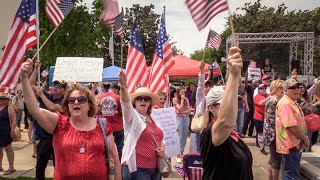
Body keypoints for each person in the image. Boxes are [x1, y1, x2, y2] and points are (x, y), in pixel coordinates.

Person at [20, 59, 121, 179]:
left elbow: (114, 157)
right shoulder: (59, 123)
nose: (76, 102)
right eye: (71, 100)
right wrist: (24, 79)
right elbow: (34, 110)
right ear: (67, 105)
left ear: (89, 104)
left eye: (81, 100)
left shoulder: (102, 126)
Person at [200, 47, 253, 180]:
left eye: (234, 103)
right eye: (225, 104)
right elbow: (225, 122)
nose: (233, 108)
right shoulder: (209, 133)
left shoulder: (233, 134)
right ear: (212, 108)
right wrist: (234, 75)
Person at [118, 70, 165, 180]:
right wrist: (123, 87)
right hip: (138, 169)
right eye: (139, 98)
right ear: (134, 102)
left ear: (150, 103)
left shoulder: (154, 117)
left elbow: (162, 138)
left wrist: (163, 148)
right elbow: (125, 104)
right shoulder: (131, 116)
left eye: (146, 99)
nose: (143, 101)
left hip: (155, 168)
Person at [276, 78, 308, 180]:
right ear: (285, 90)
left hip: (294, 144)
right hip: (290, 145)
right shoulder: (286, 104)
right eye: (292, 88)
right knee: (292, 176)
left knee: (292, 173)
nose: (296, 90)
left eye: (298, 87)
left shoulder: (291, 102)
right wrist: (305, 138)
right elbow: (291, 126)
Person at [189, 61, 213, 153]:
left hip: (210, 127)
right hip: (201, 127)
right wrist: (202, 71)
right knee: (200, 150)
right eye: (207, 86)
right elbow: (201, 84)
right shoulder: (200, 98)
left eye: (210, 86)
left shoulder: (214, 100)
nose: (208, 88)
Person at [263, 80, 284, 180]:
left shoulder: (270, 99)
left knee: (272, 159)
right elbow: (274, 120)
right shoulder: (274, 101)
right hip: (274, 133)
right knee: (276, 160)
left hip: (270, 132)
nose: (283, 90)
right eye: (281, 88)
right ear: (275, 89)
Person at [98, 83, 124, 161]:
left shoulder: (100, 97)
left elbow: (97, 112)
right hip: (117, 127)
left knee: (104, 147)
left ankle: (105, 162)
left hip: (104, 126)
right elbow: (123, 112)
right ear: (116, 90)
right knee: (119, 148)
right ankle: (119, 164)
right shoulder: (118, 97)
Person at [173, 88, 191, 163]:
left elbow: (189, 111)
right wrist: (182, 101)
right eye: (181, 92)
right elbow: (179, 109)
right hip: (179, 118)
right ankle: (177, 155)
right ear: (178, 92)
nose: (183, 93)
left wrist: (183, 111)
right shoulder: (175, 99)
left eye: (184, 92)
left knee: (184, 136)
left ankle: (181, 152)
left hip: (185, 118)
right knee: (179, 136)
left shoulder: (186, 99)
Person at [0, 92, 16, 175]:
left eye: (2, 99)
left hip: (6, 131)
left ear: (5, 100)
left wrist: (12, 130)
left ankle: (11, 167)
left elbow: (14, 120)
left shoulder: (9, 108)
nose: (1, 100)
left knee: (8, 149)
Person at [254, 84, 269, 155]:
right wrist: (269, 98)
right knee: (260, 132)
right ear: (259, 90)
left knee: (265, 133)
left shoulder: (267, 96)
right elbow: (261, 103)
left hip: (265, 117)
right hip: (258, 116)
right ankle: (262, 148)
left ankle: (263, 146)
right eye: (262, 88)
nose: (264, 90)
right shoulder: (257, 97)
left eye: (264, 88)